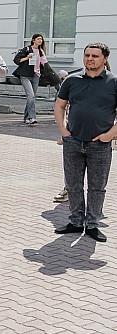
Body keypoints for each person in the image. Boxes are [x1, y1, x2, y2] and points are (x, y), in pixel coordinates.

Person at [53, 43, 117, 243]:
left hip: (100, 145)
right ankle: (75, 221)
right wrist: (63, 131)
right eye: (87, 55)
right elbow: (60, 105)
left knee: (97, 187)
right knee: (73, 185)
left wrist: (110, 135)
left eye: (95, 56)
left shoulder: (113, 82)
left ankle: (92, 224)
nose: (90, 59)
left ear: (104, 59)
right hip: (73, 142)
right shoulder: (72, 80)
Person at [14, 33, 48, 125]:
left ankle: (26, 118)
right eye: (38, 39)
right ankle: (32, 117)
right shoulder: (27, 49)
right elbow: (16, 60)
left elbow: (45, 64)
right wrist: (27, 57)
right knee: (31, 96)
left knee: (31, 98)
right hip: (25, 75)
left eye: (41, 39)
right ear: (33, 40)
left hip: (36, 75)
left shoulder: (41, 51)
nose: (40, 41)